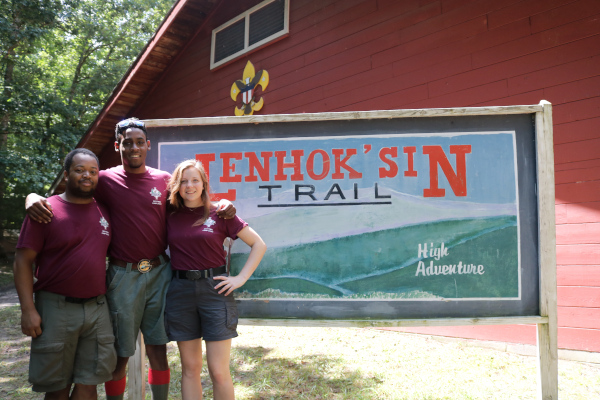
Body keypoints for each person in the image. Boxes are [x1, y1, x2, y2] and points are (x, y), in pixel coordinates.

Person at [25, 118, 236, 400]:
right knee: (120, 353)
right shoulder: (104, 179)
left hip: (160, 272)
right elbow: (69, 197)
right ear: (118, 146)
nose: (134, 147)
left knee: (158, 350)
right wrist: (31, 197)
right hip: (122, 274)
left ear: (147, 145)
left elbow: (192, 201)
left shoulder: (164, 180)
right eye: (127, 142)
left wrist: (222, 204)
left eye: (139, 142)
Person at [14, 148, 117, 400]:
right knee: (57, 387)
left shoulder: (105, 211)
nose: (87, 175)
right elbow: (22, 261)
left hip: (97, 308)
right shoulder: (45, 210)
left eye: (92, 171)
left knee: (89, 384)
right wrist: (28, 310)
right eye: (79, 170)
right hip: (56, 308)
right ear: (66, 174)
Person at [165, 159, 266, 400]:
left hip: (215, 292)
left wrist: (240, 278)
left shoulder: (220, 212)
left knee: (218, 371)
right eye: (184, 181)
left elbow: (258, 244)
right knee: (190, 369)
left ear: (204, 184)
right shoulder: (169, 214)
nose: (189, 186)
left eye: (195, 180)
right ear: (177, 186)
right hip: (180, 293)